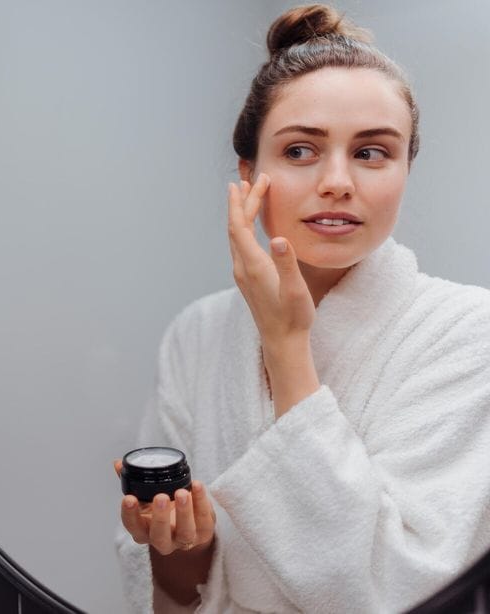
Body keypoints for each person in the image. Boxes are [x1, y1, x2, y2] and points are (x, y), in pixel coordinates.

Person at [115, 5, 490, 613]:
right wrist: (180, 555)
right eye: (299, 151)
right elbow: (164, 589)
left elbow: (399, 592)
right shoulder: (199, 335)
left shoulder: (471, 334)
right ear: (248, 173)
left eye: (372, 153)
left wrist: (287, 347)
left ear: (405, 170)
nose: (339, 181)